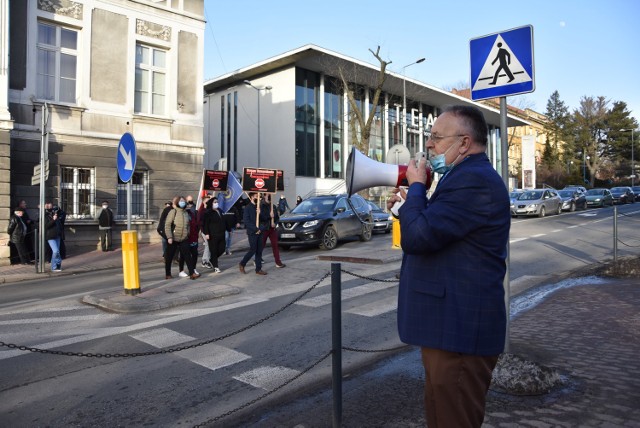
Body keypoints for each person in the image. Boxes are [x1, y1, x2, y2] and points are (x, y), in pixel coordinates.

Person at [387, 105, 510, 427]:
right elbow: (439, 231)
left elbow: (419, 237)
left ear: (465, 143)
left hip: (460, 331)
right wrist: (409, 207)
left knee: (452, 417)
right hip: (453, 329)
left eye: (436, 138)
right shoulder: (463, 178)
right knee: (442, 415)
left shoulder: (473, 181)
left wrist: (415, 189)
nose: (429, 145)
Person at [164, 196, 200, 280]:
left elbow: (188, 225)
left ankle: (192, 273)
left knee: (187, 256)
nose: (182, 202)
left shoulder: (186, 213)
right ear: (177, 202)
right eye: (180, 201)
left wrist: (187, 234)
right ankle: (168, 274)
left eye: (183, 201)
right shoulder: (173, 211)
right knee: (169, 256)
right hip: (173, 238)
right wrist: (169, 237)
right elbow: (167, 225)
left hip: (184, 238)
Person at [239, 192, 270, 275]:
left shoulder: (258, 207)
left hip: (260, 231)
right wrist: (255, 229)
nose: (259, 198)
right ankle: (242, 263)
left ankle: (258, 269)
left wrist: (260, 213)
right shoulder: (247, 208)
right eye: (257, 196)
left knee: (259, 251)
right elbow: (246, 221)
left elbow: (264, 219)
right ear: (252, 197)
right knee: (253, 250)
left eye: (259, 197)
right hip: (252, 232)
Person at [202, 197, 226, 273]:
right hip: (212, 235)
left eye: (217, 202)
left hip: (221, 234)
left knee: (222, 249)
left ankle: (212, 259)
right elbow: (205, 224)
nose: (216, 203)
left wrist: (228, 228)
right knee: (214, 250)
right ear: (211, 203)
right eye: (215, 202)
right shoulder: (208, 213)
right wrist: (206, 233)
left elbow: (224, 220)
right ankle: (216, 266)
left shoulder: (220, 211)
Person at [262, 194, 286, 268]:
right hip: (264, 229)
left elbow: (277, 218)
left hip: (272, 229)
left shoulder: (273, 207)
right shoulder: (261, 206)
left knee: (275, 245)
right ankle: (257, 259)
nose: (269, 197)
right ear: (264, 196)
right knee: (261, 245)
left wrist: (275, 223)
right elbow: (261, 217)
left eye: (270, 195)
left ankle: (278, 262)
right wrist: (270, 216)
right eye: (267, 195)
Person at [177, 200, 200, 278]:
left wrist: (196, 235)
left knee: (194, 254)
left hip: (193, 237)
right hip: (184, 238)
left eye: (189, 205)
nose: (188, 207)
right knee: (184, 255)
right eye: (187, 205)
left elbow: (196, 225)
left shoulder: (192, 214)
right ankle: (182, 270)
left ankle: (193, 269)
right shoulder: (180, 213)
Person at [45, 204, 62, 272]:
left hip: (57, 236)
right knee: (55, 251)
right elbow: (46, 226)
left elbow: (59, 226)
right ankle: (54, 267)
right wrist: (53, 220)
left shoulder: (56, 216)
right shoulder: (46, 216)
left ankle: (57, 265)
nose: (54, 212)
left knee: (57, 252)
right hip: (50, 236)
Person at [198, 194, 213, 268]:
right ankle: (205, 261)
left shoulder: (209, 210)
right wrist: (204, 231)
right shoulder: (202, 211)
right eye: (207, 201)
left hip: (210, 230)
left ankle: (206, 260)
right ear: (203, 202)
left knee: (208, 246)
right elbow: (200, 222)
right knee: (208, 245)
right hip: (204, 231)